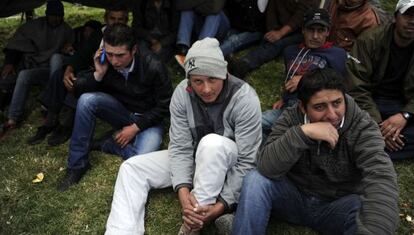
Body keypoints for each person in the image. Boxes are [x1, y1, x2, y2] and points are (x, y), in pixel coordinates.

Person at [105, 38, 261, 235]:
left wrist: (221, 205)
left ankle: (193, 222)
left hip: (228, 165)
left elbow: (248, 161)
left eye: (212, 79)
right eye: (197, 81)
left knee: (211, 144)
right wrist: (183, 191)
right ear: (189, 80)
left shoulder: (245, 98)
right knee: (131, 168)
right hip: (196, 158)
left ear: (225, 74)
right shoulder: (182, 93)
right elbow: (180, 146)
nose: (205, 89)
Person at [233, 68, 399, 235]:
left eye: (337, 103)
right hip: (293, 198)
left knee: (363, 205)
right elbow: (266, 166)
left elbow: (380, 175)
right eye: (320, 107)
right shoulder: (290, 118)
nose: (332, 115)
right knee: (256, 179)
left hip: (335, 206)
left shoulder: (362, 127)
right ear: (303, 108)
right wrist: (302, 133)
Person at [57, 24, 173, 192]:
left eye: (120, 55)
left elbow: (165, 106)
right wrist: (98, 74)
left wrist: (135, 128)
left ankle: (108, 143)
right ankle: (77, 165)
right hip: (121, 112)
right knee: (87, 100)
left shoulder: (153, 65)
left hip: (149, 120)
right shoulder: (106, 63)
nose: (115, 61)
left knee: (139, 161)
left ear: (134, 50)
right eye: (109, 54)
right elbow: (77, 92)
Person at [26, 7, 128, 146]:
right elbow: (82, 54)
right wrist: (69, 69)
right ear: (105, 19)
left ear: (126, 20)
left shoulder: (128, 37)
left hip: (112, 79)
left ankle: (67, 125)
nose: (115, 22)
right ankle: (50, 121)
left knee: (81, 81)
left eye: (120, 19)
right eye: (112, 18)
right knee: (60, 74)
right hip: (96, 71)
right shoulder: (100, 33)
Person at [262, 8, 347, 143]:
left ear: (327, 32)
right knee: (256, 122)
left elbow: (339, 84)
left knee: (278, 132)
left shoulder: (337, 54)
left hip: (314, 110)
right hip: (288, 108)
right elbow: (290, 77)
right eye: (310, 30)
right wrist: (284, 98)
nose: (315, 36)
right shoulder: (290, 51)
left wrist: (305, 79)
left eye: (320, 31)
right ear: (303, 30)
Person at [347, 0, 414, 160]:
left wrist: (405, 115)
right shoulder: (369, 40)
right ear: (395, 17)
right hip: (370, 101)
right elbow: (356, 86)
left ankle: (370, 147)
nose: (412, 21)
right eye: (408, 15)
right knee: (344, 122)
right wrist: (376, 124)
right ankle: (381, 141)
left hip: (403, 104)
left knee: (357, 136)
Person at [0, 0, 74, 137]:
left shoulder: (67, 30)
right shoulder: (34, 26)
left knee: (55, 59)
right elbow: (17, 44)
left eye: (59, 16)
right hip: (33, 65)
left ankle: (49, 108)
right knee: (21, 75)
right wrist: (10, 63)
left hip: (52, 72)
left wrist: (68, 50)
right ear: (47, 15)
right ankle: (12, 119)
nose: (56, 19)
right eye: (53, 15)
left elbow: (73, 55)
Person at [228, 0, 319, 79]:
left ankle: (243, 65)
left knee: (278, 44)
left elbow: (300, 17)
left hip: (300, 31)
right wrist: (271, 30)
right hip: (277, 27)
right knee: (267, 42)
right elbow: (272, 10)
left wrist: (280, 33)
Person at [174, 0, 230, 65]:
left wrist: (194, 4)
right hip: (200, 22)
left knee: (215, 14)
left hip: (219, 26)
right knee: (187, 11)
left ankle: (200, 49)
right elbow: (179, 5)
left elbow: (215, 8)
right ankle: (183, 48)